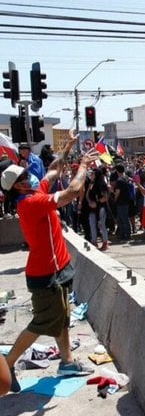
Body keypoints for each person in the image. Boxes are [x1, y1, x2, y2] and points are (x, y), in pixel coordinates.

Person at [0, 132, 99, 393]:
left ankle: (66, 362)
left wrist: (67, 148)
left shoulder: (34, 190)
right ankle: (8, 363)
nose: (28, 173)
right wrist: (84, 166)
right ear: (19, 186)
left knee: (63, 318)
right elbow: (72, 192)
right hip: (45, 275)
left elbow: (53, 171)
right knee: (44, 322)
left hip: (59, 268)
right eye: (23, 175)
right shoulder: (30, 202)